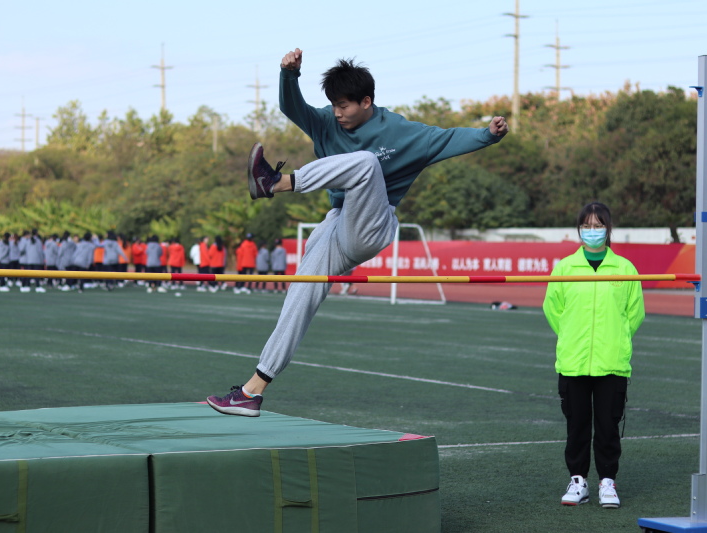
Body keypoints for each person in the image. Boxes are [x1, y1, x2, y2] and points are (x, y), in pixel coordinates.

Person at [207, 49, 508, 417]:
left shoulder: (399, 131)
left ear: (366, 102)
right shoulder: (325, 122)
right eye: (333, 105)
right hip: (338, 223)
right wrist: (289, 75)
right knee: (300, 295)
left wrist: (487, 135)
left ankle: (276, 183)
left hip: (374, 224)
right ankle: (252, 391)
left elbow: (448, 139)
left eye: (344, 106)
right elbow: (291, 107)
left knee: (365, 163)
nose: (337, 113)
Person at [543, 202, 645, 509]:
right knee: (576, 426)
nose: (592, 231)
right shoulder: (565, 268)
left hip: (611, 361)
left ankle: (607, 482)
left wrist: (617, 338)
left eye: (598, 225)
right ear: (578, 230)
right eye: (586, 226)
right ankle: (578, 481)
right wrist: (571, 336)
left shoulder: (624, 268)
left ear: (608, 229)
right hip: (573, 361)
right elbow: (553, 309)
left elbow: (635, 313)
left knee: (607, 426)